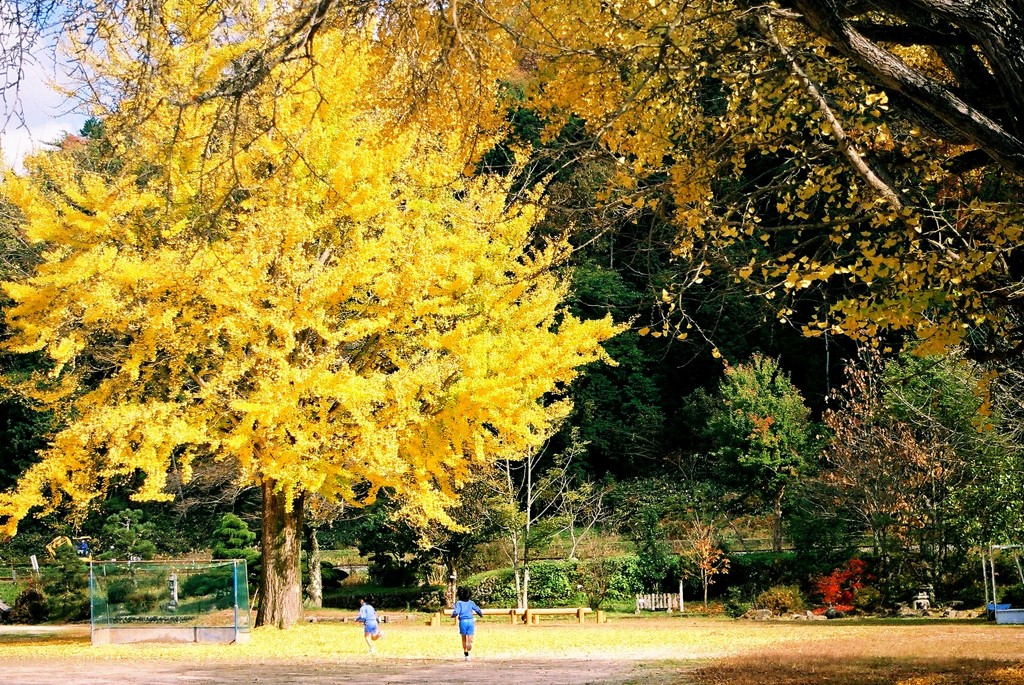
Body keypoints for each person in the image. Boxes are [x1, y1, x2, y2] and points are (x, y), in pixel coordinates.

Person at [451, 586, 484, 661]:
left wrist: (452, 615)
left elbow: (456, 612)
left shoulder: (459, 603)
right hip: (470, 621)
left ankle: (466, 655)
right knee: (470, 636)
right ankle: (470, 641)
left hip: (463, 621)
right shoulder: (471, 602)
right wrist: (480, 614)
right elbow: (477, 609)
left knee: (463, 638)